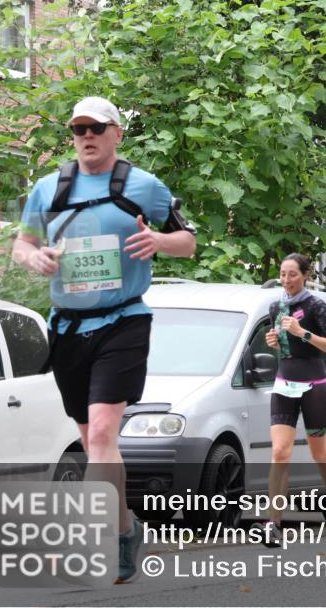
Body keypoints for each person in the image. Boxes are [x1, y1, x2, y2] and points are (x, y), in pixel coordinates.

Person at [12, 97, 196, 583]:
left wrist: (159, 241)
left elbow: (188, 240)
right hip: (68, 327)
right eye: (78, 129)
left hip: (124, 321)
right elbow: (22, 244)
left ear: (117, 132)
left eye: (96, 127)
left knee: (100, 434)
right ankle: (125, 528)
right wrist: (33, 260)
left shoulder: (143, 187)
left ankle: (97, 541)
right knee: (89, 440)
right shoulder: (49, 188)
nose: (86, 136)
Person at [262, 254, 326, 544]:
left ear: (306, 275)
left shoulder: (316, 305)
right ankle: (273, 523)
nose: (286, 280)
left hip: (314, 386)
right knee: (280, 452)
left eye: (292, 274)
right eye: (283, 274)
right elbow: (284, 347)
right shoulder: (276, 306)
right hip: (284, 385)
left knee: (318, 453)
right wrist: (273, 342)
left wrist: (303, 332)